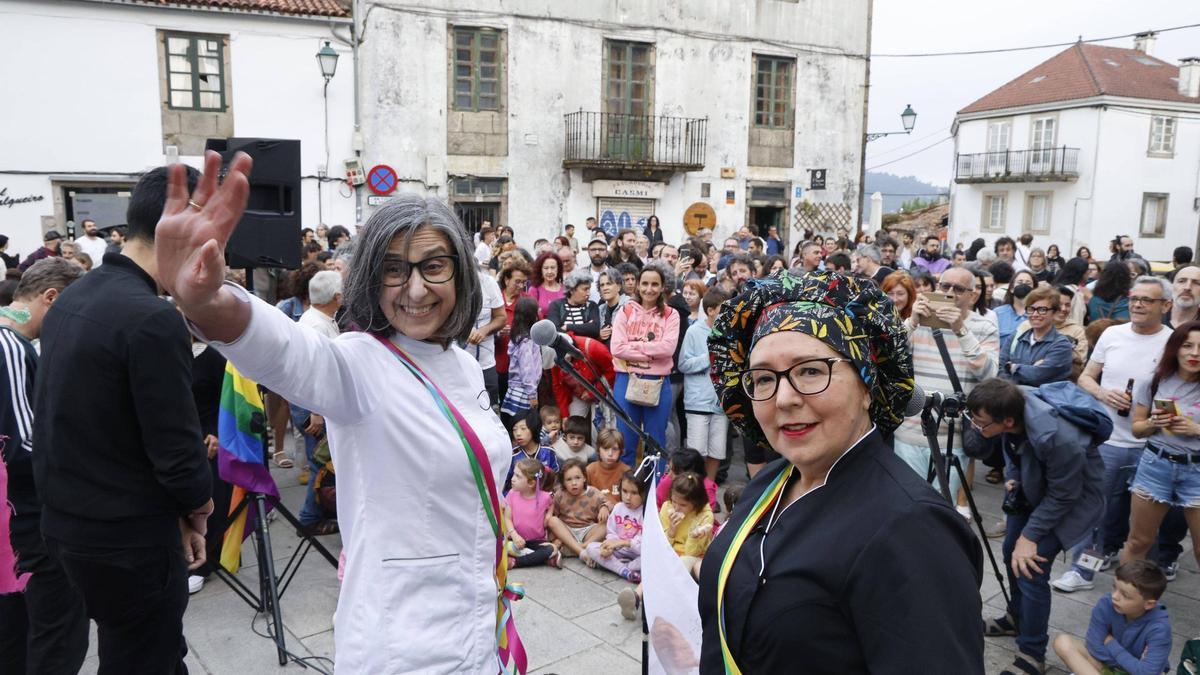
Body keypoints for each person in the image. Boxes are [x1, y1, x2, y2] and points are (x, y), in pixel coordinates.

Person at [156, 154, 524, 672]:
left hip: (480, 624)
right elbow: (287, 352)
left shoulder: (462, 364)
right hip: (403, 646)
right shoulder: (358, 364)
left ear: (461, 273)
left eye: (433, 265)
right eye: (394, 270)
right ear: (372, 280)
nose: (415, 289)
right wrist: (207, 301)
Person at [699, 270, 983, 673]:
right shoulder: (772, 481)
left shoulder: (912, 530)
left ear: (868, 385)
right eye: (763, 378)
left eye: (811, 371)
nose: (783, 399)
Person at [33, 167, 213, 673]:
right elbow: (178, 455)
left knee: (138, 650)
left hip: (73, 527)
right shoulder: (151, 317)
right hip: (125, 539)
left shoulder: (75, 297)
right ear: (182, 226)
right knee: (144, 656)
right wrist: (196, 508)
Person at [965, 378, 1106, 675]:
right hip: (1034, 486)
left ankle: (1032, 653)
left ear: (1008, 419)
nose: (976, 428)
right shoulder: (1011, 408)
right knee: (1009, 551)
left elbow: (1065, 494)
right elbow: (1010, 445)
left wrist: (1030, 536)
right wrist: (1014, 474)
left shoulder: (1058, 438)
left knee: (1031, 567)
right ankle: (1016, 618)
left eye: (981, 423)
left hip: (1072, 499)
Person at [1054, 276, 1174, 593]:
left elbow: (1177, 392)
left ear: (1166, 306)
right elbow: (1086, 379)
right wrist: (1104, 394)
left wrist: (1156, 416)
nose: (1137, 304)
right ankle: (1084, 570)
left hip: (1151, 445)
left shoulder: (1173, 343)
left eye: (1147, 300)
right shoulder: (1112, 334)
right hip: (1108, 441)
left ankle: (1139, 582)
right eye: (1134, 298)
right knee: (1096, 513)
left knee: (1144, 526)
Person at [0, 259, 88, 675]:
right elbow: (23, 445)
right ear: (51, 298)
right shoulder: (11, 346)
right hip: (28, 523)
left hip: (14, 524)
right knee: (58, 636)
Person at [895, 266, 999, 513]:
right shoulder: (917, 321)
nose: (950, 293)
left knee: (940, 508)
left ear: (972, 296)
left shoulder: (984, 327)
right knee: (904, 505)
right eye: (944, 286)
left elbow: (989, 374)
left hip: (952, 436)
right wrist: (911, 322)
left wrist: (960, 329)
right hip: (910, 430)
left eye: (958, 289)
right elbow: (889, 356)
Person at [1121, 320, 1200, 569]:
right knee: (1138, 542)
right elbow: (1137, 429)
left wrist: (1196, 429)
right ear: (1175, 348)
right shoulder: (1154, 381)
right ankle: (1123, 600)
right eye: (1187, 345)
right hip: (1156, 464)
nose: (1195, 353)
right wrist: (1154, 423)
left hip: (1196, 472)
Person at [610, 261, 680, 467]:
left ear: (662, 287)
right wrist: (651, 351)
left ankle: (653, 493)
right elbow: (617, 349)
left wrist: (635, 348)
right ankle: (627, 492)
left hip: (658, 382)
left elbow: (668, 349)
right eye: (645, 284)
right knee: (625, 441)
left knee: (656, 443)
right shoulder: (626, 311)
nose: (649, 289)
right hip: (626, 378)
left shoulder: (671, 314)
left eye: (655, 284)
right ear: (638, 285)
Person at [1052, 559, 1172, 675]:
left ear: (1149, 604)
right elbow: (1094, 647)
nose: (1115, 596)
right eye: (1114, 587)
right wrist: (1135, 665)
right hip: (1107, 666)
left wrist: (1111, 643)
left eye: (1125, 595)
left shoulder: (1159, 628)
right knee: (1062, 642)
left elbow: (1147, 672)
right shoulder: (1106, 603)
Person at [680, 288, 731, 481]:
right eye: (723, 309)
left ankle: (709, 490)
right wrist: (708, 358)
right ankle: (695, 490)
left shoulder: (729, 333)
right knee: (697, 452)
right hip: (698, 401)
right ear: (710, 310)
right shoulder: (694, 331)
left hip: (720, 402)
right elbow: (683, 364)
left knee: (717, 451)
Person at [999, 285, 1074, 386]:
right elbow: (999, 367)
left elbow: (1037, 375)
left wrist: (1013, 367)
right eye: (1031, 309)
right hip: (1011, 396)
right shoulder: (1016, 338)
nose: (1035, 314)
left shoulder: (1061, 345)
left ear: (1054, 312)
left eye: (1042, 310)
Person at [581, 470, 645, 582]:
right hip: (617, 552)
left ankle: (617, 567)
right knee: (591, 547)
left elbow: (645, 545)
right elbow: (611, 532)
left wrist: (625, 543)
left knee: (651, 559)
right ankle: (625, 571)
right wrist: (609, 547)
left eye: (634, 493)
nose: (628, 497)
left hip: (636, 554)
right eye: (624, 491)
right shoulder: (618, 507)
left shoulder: (646, 513)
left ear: (644, 493)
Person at [503, 457, 562, 569]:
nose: (512, 479)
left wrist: (549, 515)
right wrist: (514, 535)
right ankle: (546, 559)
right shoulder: (512, 494)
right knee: (502, 547)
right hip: (515, 540)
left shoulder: (545, 497)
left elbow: (552, 503)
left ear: (531, 483)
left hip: (536, 541)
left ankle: (515, 562)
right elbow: (507, 518)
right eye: (514, 474)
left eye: (518, 476)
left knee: (551, 548)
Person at [546, 458, 608, 558]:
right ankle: (582, 552)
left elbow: (608, 504)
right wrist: (554, 538)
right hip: (568, 531)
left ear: (584, 478)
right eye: (569, 479)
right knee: (552, 521)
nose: (574, 483)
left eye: (577, 478)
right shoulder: (560, 494)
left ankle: (578, 548)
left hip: (588, 531)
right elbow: (553, 516)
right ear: (563, 482)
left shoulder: (593, 492)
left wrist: (604, 507)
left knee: (605, 525)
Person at [464, 258, 506, 406]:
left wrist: (484, 330)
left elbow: (501, 318)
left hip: (485, 363)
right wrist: (462, 330)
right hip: (457, 362)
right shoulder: (449, 284)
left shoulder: (488, 283)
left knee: (490, 409)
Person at [500, 297, 542, 431]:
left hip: (515, 388)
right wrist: (532, 394)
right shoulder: (527, 341)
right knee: (523, 427)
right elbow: (527, 368)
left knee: (515, 426)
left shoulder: (517, 335)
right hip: (524, 391)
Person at [547, 269, 599, 338]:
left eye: (589, 289)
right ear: (572, 290)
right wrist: (585, 327)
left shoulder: (591, 305)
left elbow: (594, 329)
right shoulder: (556, 305)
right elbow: (555, 331)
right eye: (585, 289)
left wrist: (567, 327)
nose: (588, 293)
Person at [587, 428, 631, 504]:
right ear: (598, 449)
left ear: (621, 451)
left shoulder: (626, 471)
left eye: (615, 449)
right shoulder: (590, 470)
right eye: (605, 448)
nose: (610, 453)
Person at [995, 269, 1037, 348]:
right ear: (1011, 288)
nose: (1023, 285)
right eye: (1020, 282)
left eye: (1028, 283)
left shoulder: (1040, 314)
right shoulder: (997, 313)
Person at [596, 268, 628, 347]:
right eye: (602, 285)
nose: (605, 288)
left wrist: (618, 331)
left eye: (609, 284)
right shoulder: (600, 309)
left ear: (619, 286)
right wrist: (599, 335)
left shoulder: (629, 305)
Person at [528, 251, 564, 318]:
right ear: (540, 270)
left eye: (553, 267)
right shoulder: (534, 290)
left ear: (558, 269)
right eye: (546, 268)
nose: (549, 271)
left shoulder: (566, 289)